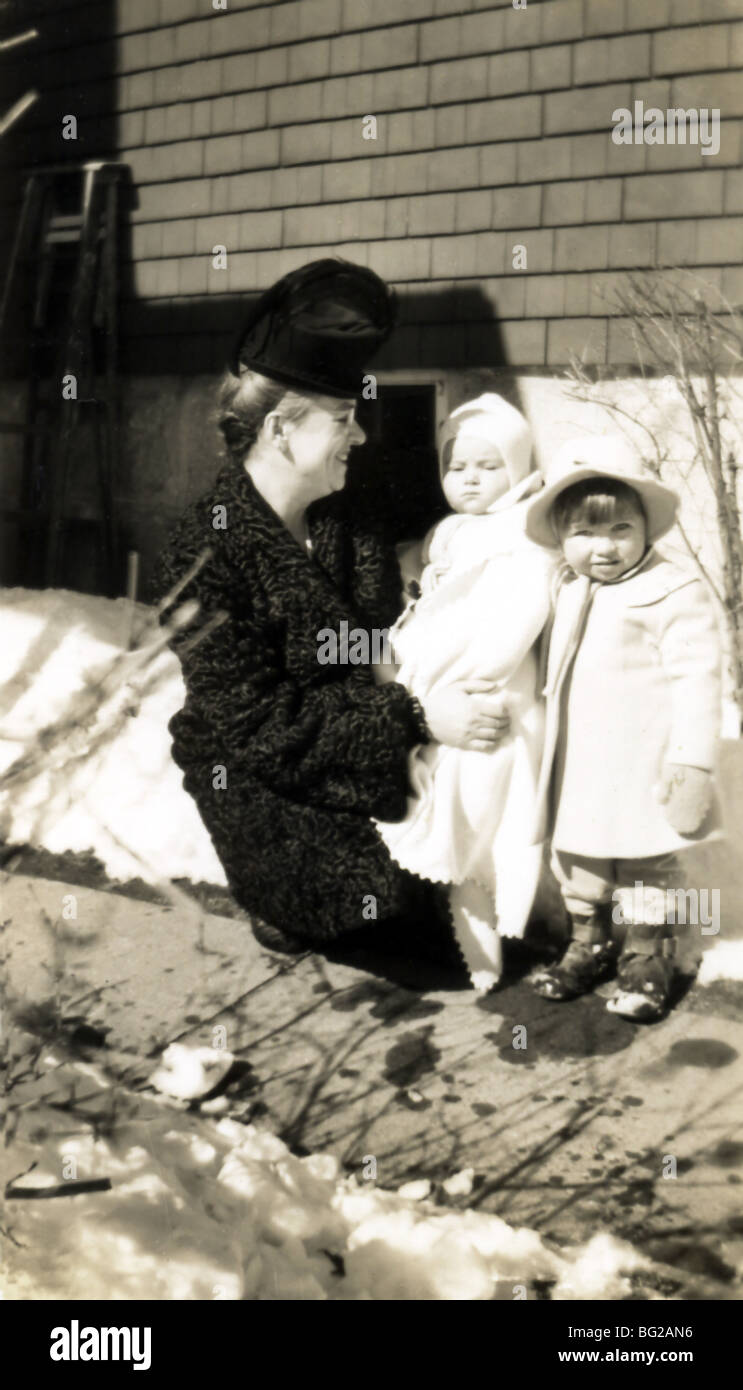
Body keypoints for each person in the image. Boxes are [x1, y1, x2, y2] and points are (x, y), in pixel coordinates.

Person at [152, 259, 509, 962]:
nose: (362, 436)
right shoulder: (203, 555)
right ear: (282, 430)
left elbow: (463, 517)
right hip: (268, 770)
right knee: (375, 915)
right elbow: (259, 726)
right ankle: (276, 896)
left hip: (364, 733)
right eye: (344, 420)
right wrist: (415, 718)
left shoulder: (348, 506)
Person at [524, 437, 723, 1021]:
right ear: (562, 537)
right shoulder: (563, 587)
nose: (603, 547)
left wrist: (691, 761)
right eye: (584, 533)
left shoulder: (673, 592)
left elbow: (698, 678)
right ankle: (588, 942)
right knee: (581, 864)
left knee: (644, 866)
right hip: (580, 764)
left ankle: (645, 959)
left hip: (642, 763)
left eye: (620, 530)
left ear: (645, 530)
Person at [374, 394, 553, 991]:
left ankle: (490, 946)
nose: (470, 478)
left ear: (518, 469)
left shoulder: (527, 537)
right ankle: (449, 928)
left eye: (488, 465)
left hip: (490, 696)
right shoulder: (448, 533)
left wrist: (453, 670)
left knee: (481, 822)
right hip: (439, 691)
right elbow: (425, 599)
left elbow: (512, 624)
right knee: (438, 810)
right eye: (457, 467)